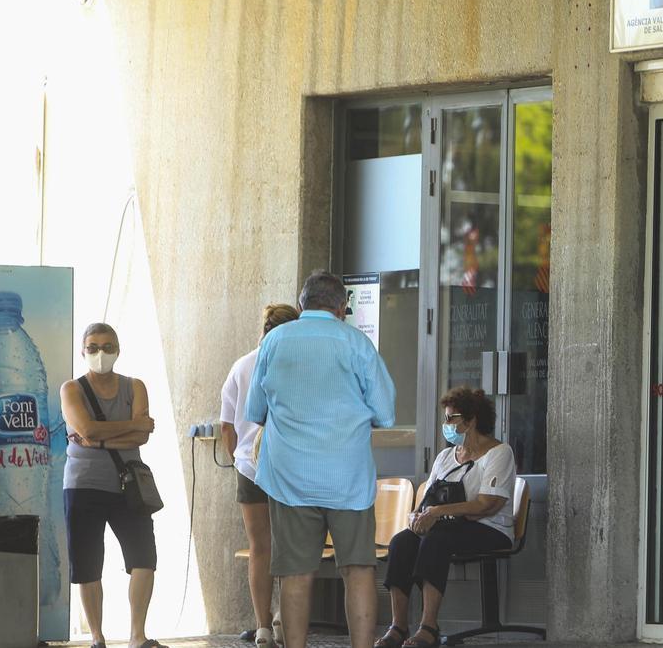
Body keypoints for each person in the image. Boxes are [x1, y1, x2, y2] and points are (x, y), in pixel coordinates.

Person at [245, 271, 395, 648]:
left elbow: (256, 409)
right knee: (358, 569)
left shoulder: (274, 341)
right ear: (342, 307)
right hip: (348, 478)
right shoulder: (356, 343)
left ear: (301, 305)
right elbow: (386, 413)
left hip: (290, 477)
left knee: (295, 573)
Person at [378, 387, 516, 648]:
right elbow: (428, 500)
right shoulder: (445, 457)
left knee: (437, 540)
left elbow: (489, 504)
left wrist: (439, 513)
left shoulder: (499, 453)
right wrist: (416, 517)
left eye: (451, 419)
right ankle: (398, 625)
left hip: (488, 528)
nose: (446, 425)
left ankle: (428, 627)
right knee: (402, 542)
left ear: (471, 420)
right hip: (448, 528)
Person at [60, 323, 165, 648]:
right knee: (88, 564)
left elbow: (142, 436)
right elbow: (88, 429)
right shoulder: (72, 389)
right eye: (92, 347)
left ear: (118, 349)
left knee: (144, 557)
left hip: (128, 485)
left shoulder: (135, 386)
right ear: (82, 351)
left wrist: (101, 438)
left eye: (107, 346)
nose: (100, 353)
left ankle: (137, 636)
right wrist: (131, 425)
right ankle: (97, 637)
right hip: (83, 484)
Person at [220, 303, 299, 646]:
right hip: (294, 468)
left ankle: (263, 626)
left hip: (251, 467)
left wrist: (239, 458)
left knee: (259, 548)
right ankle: (286, 618)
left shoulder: (242, 365)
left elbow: (227, 425)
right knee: (294, 545)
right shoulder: (303, 364)